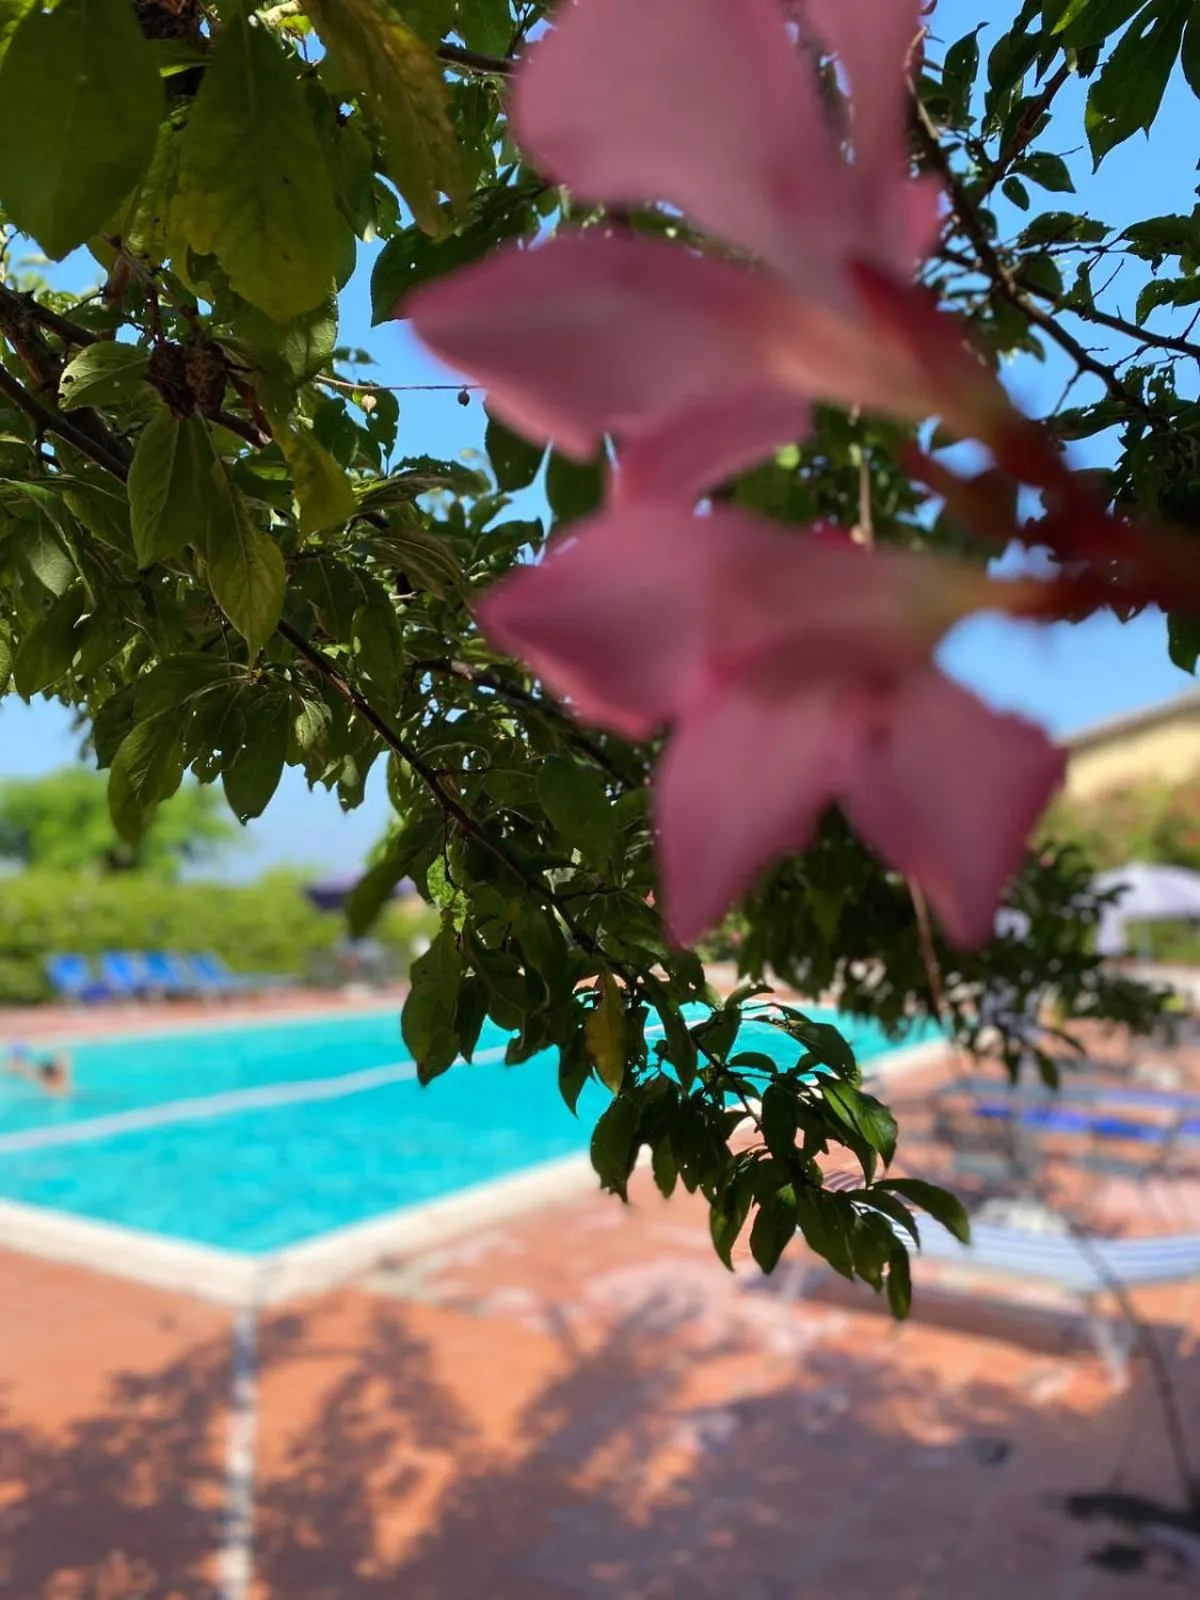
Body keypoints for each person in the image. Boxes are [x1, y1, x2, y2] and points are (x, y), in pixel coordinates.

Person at [4, 1043, 71, 1096]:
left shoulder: (52, 1085)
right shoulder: (60, 1086)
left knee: (26, 1070)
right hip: (48, 1077)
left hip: (46, 1076)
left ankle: (17, 1056)